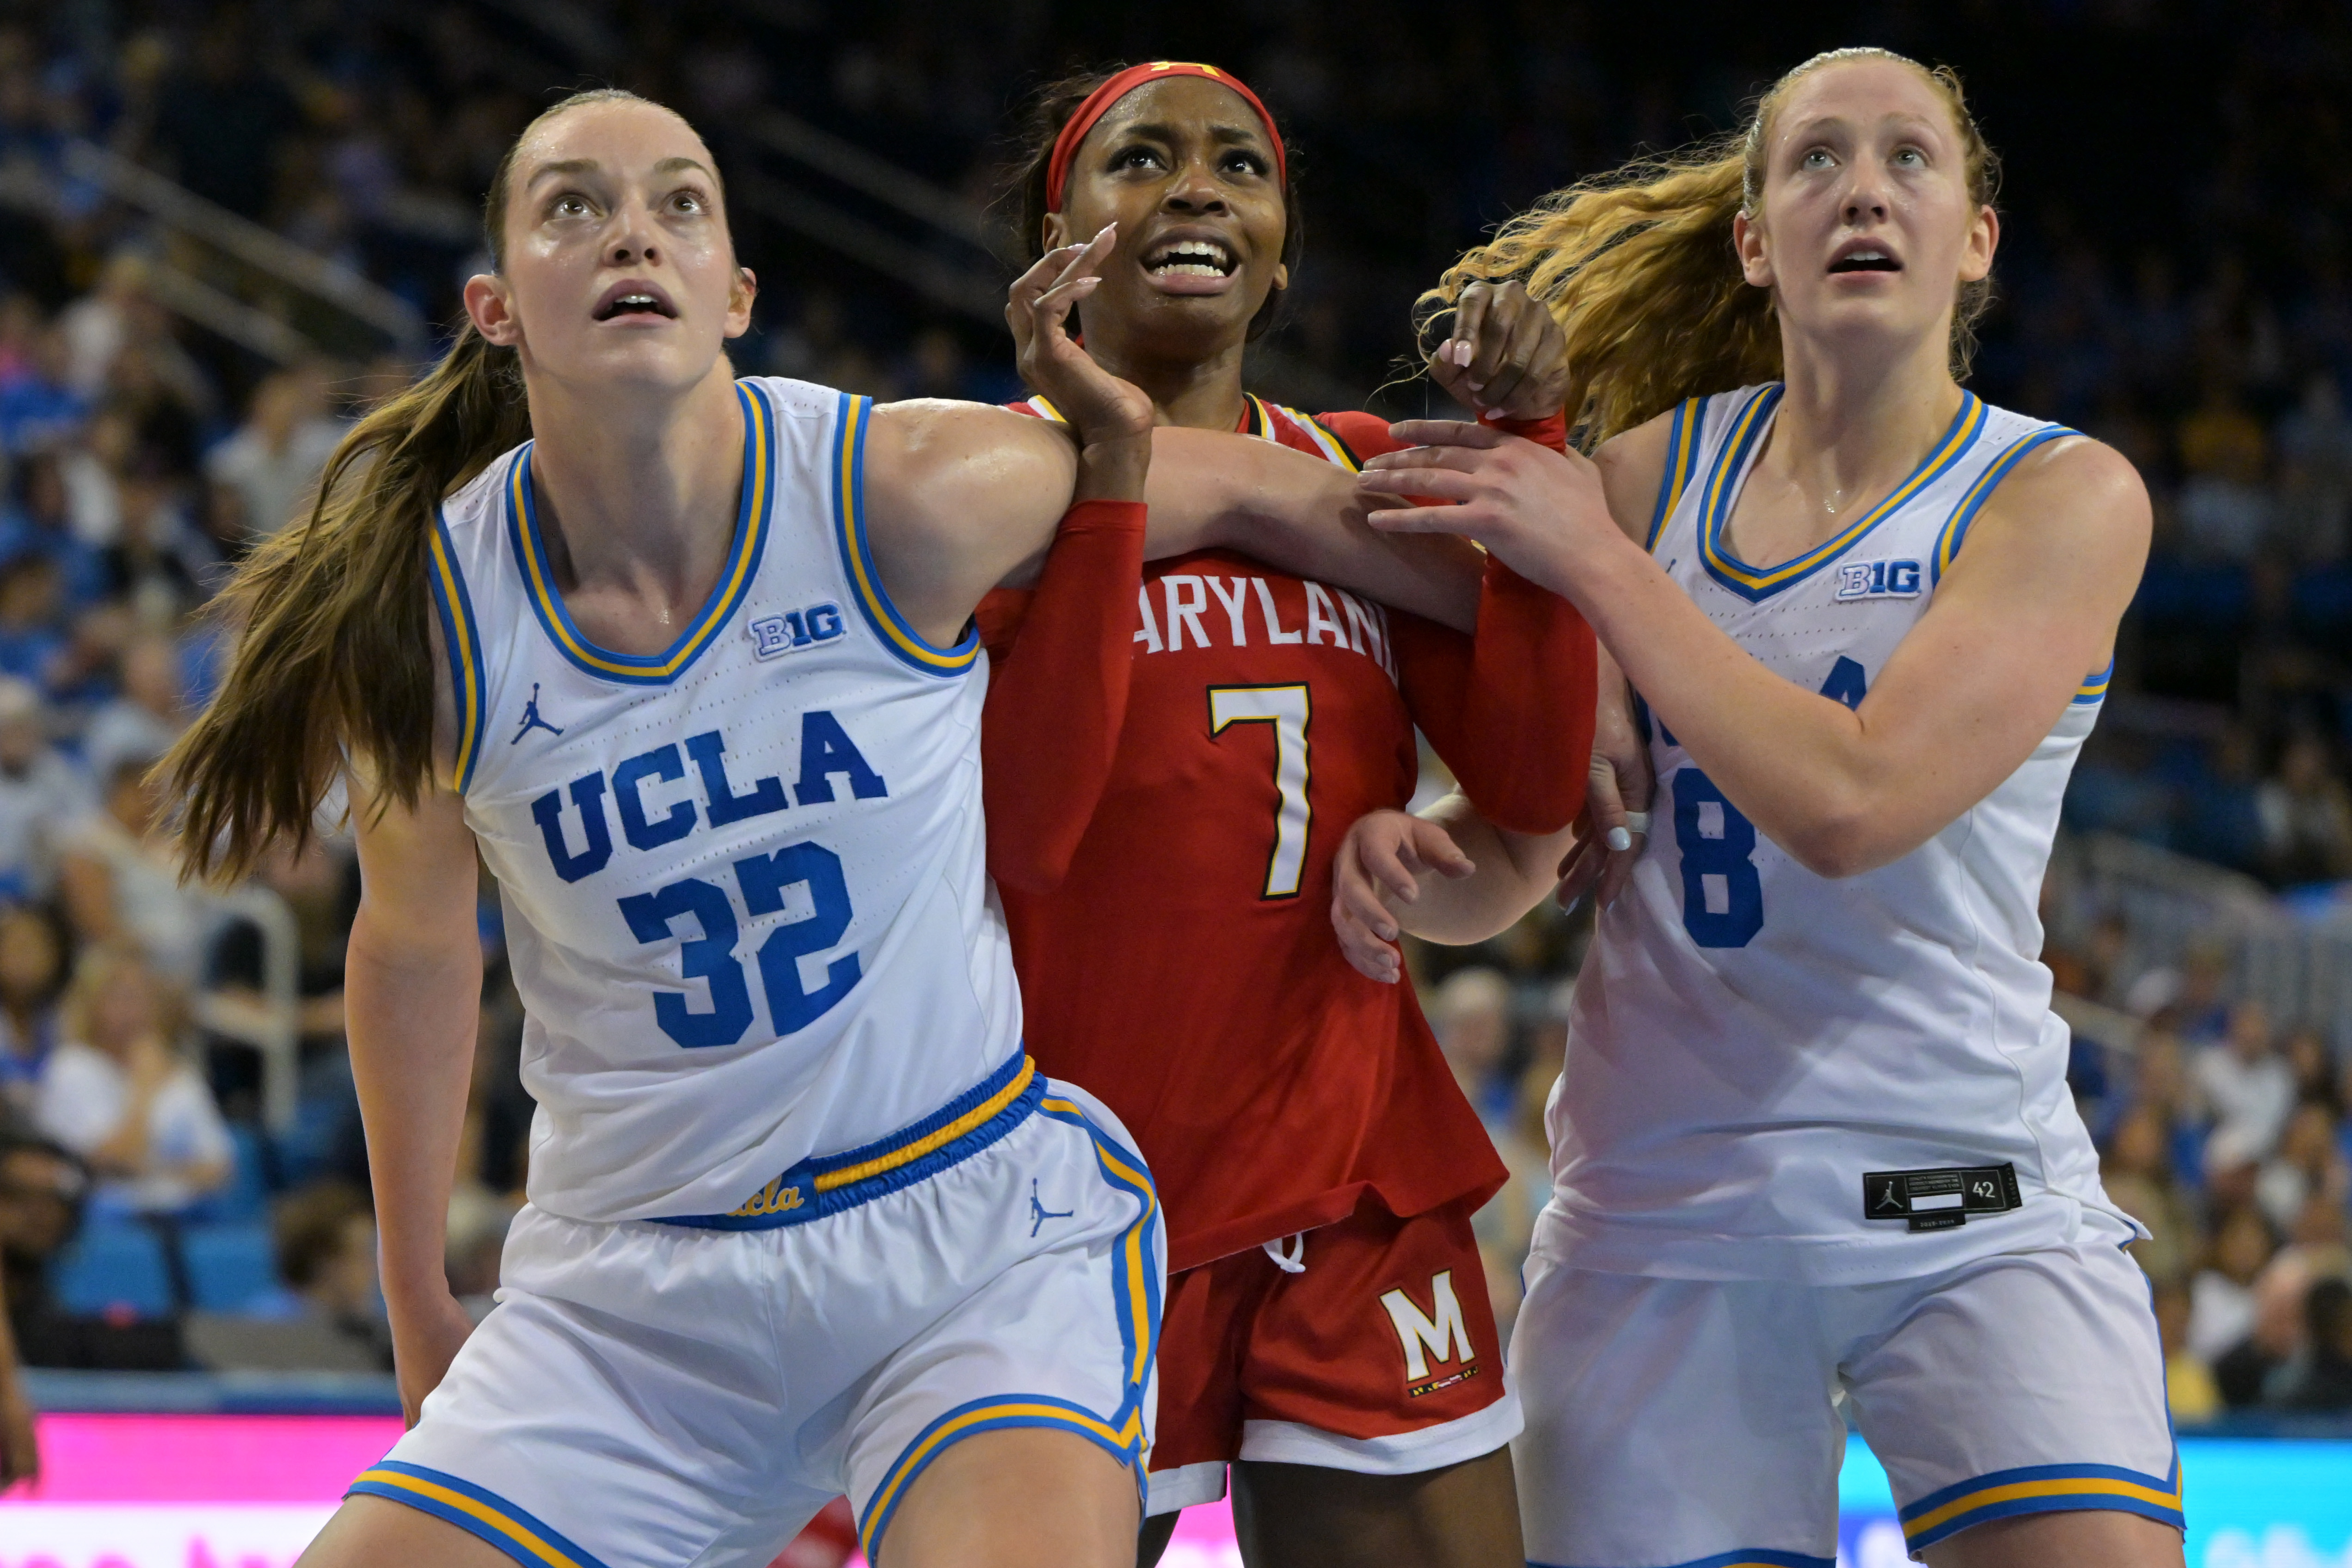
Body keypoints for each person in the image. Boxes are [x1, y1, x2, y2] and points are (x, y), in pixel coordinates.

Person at [157, 88, 1485, 1568]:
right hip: (629, 1297)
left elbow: (1255, 489)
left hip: (958, 1232)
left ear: (735, 295)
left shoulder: (892, 486)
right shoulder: (430, 615)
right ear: (494, 307)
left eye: (678, 201)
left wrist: (1551, 624)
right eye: (572, 207)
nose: (629, 235)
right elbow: (409, 945)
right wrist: (417, 1293)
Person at [1330, 48, 2183, 1568]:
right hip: (1666, 1215)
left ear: (1974, 236)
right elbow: (1534, 849)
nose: (1860, 186)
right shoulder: (1648, 478)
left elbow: (1854, 802)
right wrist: (1422, 863)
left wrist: (1592, 565)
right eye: (1813, 161)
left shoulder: (2058, 498)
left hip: (1970, 1201)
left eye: (1907, 158)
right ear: (1752, 240)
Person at [976, 61, 1593, 1567]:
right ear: (1056, 229)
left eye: (1238, 169)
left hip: (1348, 1178)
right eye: (1141, 160)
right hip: (1056, 1193)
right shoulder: (959, 475)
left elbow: (1526, 787)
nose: (1196, 188)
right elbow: (1011, 829)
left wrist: (1531, 445)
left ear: (1281, 248)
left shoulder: (1364, 469)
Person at [34, 941, 229, 1214]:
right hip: (98, 1219)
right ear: (92, 1004)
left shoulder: (178, 1072)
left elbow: (218, 1169)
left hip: (181, 1214)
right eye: (121, 998)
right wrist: (144, 1091)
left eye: (142, 998)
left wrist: (151, 1171)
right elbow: (115, 1160)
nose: (133, 1011)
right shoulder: (71, 1067)